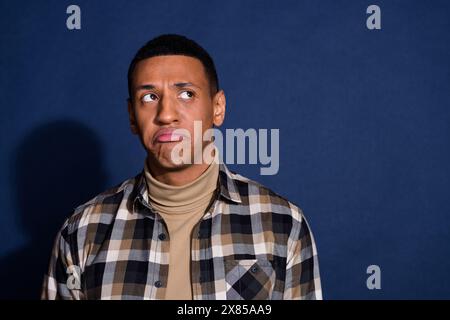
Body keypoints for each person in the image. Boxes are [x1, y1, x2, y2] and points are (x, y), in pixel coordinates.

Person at [41, 34, 322, 300]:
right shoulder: (82, 230)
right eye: (149, 97)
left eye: (186, 94)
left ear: (218, 108)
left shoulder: (283, 223)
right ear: (131, 116)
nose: (165, 114)